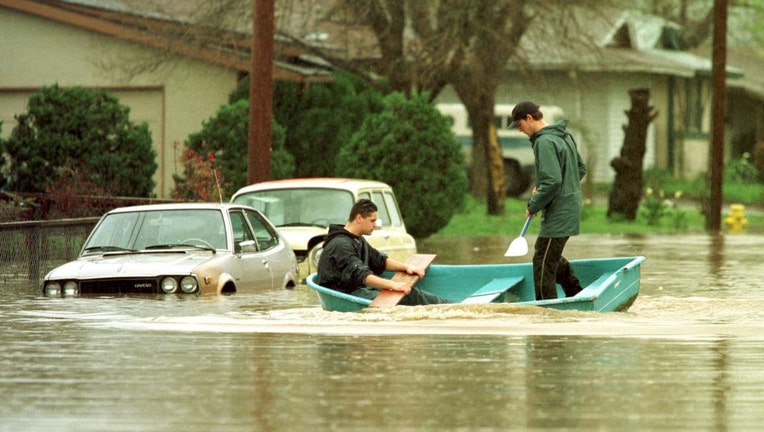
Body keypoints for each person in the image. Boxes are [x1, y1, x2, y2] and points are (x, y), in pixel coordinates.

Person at [510, 101, 587, 300]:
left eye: (519, 125)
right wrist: (546, 188)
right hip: (570, 208)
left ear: (529, 118)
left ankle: (547, 311)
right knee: (549, 257)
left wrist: (534, 203)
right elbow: (579, 169)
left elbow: (552, 181)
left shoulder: (544, 141)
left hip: (559, 213)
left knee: (542, 262)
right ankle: (577, 294)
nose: (520, 130)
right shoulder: (563, 135)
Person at [317, 199, 451, 306]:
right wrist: (394, 285)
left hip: (360, 289)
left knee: (411, 293)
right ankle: (448, 309)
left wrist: (407, 267)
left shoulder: (357, 239)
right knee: (401, 295)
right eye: (372, 221)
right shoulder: (340, 245)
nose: (375, 225)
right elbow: (362, 276)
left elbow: (379, 260)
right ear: (359, 218)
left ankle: (449, 306)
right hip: (346, 294)